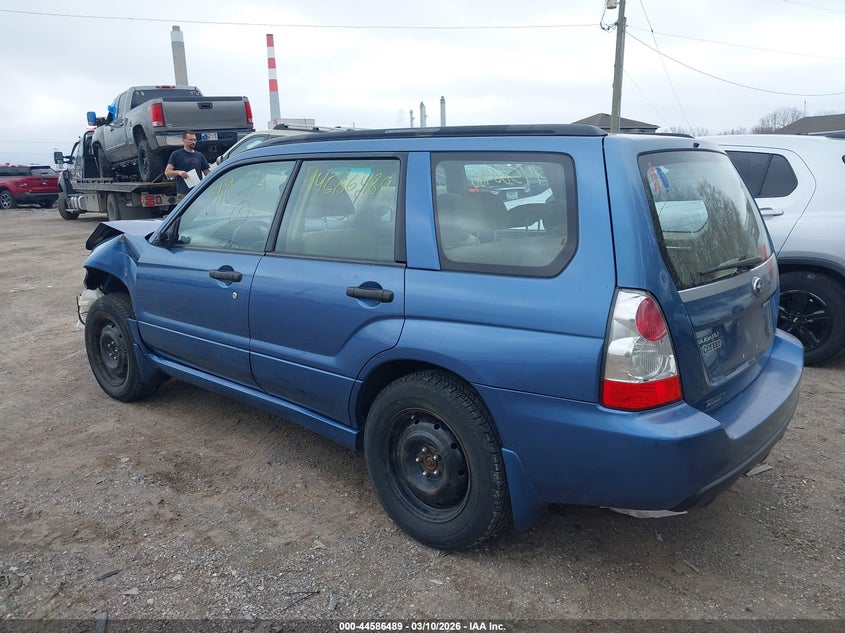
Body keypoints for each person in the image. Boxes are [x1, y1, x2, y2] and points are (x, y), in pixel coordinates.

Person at [165, 130, 210, 200]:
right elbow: (167, 172)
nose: (193, 142)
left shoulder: (200, 156)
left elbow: (207, 173)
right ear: (183, 140)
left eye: (194, 140)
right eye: (190, 140)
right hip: (183, 193)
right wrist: (179, 172)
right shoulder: (176, 154)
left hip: (198, 192)